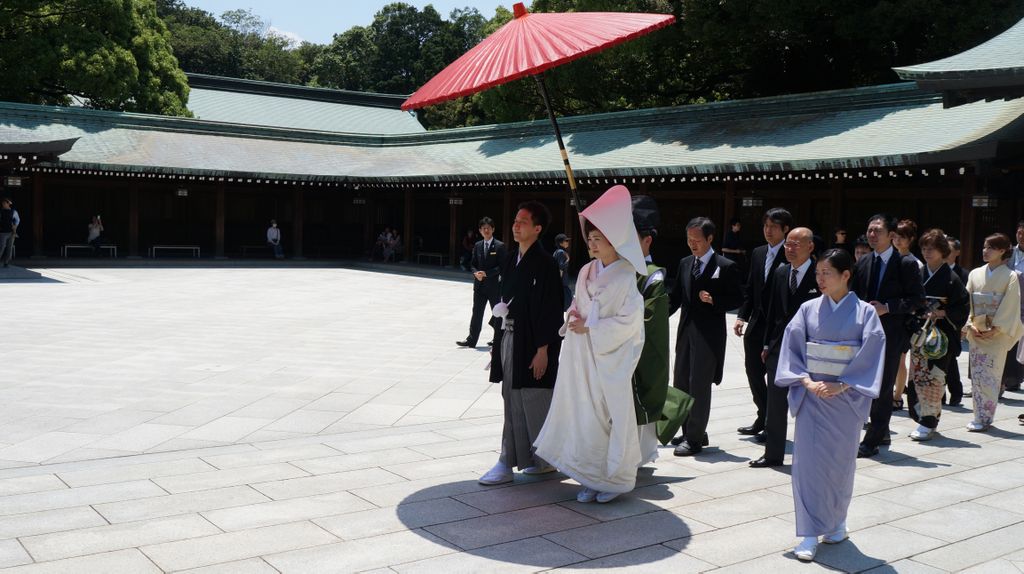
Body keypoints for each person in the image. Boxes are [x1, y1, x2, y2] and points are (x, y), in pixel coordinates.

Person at [535, 185, 648, 503]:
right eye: (591, 239)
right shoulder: (586, 269)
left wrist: (592, 326)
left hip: (607, 359)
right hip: (582, 356)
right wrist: (573, 316)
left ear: (615, 242)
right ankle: (590, 476)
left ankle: (613, 480)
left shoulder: (626, 277)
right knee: (584, 415)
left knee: (606, 414)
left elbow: (630, 322)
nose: (592, 244)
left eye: (598, 239)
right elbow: (578, 304)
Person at [775, 248, 885, 562]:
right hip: (812, 397)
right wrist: (806, 381)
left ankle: (837, 521)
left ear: (846, 275)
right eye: (818, 273)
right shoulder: (808, 309)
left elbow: (872, 351)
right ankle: (809, 533)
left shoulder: (865, 313)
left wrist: (843, 383)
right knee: (807, 466)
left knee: (840, 464)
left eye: (827, 273)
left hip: (846, 399)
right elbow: (792, 346)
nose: (820, 279)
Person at [479, 201, 564, 485]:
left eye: (524, 222)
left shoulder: (547, 263)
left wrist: (544, 350)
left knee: (533, 398)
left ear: (537, 229)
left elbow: (551, 309)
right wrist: (496, 341)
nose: (516, 225)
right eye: (515, 220)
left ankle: (541, 460)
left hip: (534, 340)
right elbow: (504, 301)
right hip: (510, 336)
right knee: (511, 398)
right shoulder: (510, 258)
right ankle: (509, 459)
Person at [668, 217, 743, 456]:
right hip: (685, 331)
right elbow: (676, 297)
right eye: (689, 240)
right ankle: (690, 429)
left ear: (710, 239)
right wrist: (652, 313)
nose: (692, 244)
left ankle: (694, 439)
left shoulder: (726, 265)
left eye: (697, 240)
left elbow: (738, 298)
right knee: (681, 381)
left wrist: (715, 300)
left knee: (699, 384)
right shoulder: (685, 263)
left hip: (708, 334)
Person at [851, 213, 924, 458]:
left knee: (882, 386)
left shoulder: (905, 264)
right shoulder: (863, 262)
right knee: (864, 382)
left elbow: (917, 300)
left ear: (891, 235)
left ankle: (872, 439)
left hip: (891, 333)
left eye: (877, 231)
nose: (872, 235)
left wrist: (887, 307)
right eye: (869, 230)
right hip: (864, 332)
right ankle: (881, 431)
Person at [751, 227, 818, 468]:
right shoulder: (780, 273)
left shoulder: (821, 274)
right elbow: (772, 313)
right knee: (776, 403)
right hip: (780, 347)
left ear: (810, 247)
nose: (789, 249)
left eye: (795, 245)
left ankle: (812, 455)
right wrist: (767, 343)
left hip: (811, 349)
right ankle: (773, 454)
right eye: (787, 245)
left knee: (811, 405)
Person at [734, 208, 791, 442]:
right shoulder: (758, 253)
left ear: (785, 230)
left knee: (774, 375)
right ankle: (763, 415)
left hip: (778, 327)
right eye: (766, 226)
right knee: (753, 372)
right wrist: (741, 316)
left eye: (774, 227)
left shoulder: (791, 254)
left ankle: (772, 423)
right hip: (756, 324)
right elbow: (750, 289)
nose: (768, 231)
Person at [906, 230, 969, 441]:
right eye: (923, 248)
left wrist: (943, 312)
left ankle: (928, 421)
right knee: (916, 375)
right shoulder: (918, 273)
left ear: (943, 251)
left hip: (940, 337)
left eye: (931, 248)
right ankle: (924, 417)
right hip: (920, 333)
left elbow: (962, 306)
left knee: (934, 377)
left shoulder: (951, 278)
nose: (926, 252)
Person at [964, 233, 1023, 431]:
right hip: (977, 330)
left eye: (990, 248)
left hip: (996, 333)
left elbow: (1010, 305)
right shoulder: (974, 274)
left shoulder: (1010, 276)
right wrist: (970, 323)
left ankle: (985, 418)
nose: (985, 251)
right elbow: (967, 301)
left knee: (991, 375)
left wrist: (996, 328)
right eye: (984, 246)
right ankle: (978, 416)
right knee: (978, 376)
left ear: (1002, 251)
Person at [630, 195, 669, 464]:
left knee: (641, 399)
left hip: (639, 349)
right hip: (617, 348)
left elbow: (650, 320)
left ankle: (640, 455)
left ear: (647, 241)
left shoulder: (653, 275)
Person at [457, 217, 506, 348]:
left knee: (497, 313)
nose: (486, 230)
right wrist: (475, 273)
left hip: (494, 286)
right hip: (479, 286)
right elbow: (472, 264)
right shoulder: (478, 246)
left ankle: (498, 338)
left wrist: (487, 274)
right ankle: (471, 340)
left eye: (488, 228)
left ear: (493, 229)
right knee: (476, 313)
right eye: (483, 228)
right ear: (480, 230)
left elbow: (502, 267)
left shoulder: (500, 246)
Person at [945, 236, 969, 406]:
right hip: (933, 323)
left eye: (950, 249)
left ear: (957, 253)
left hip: (953, 322)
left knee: (950, 358)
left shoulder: (963, 274)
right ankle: (939, 396)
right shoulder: (931, 271)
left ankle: (956, 392)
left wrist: (963, 326)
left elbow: (965, 303)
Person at [1001, 220, 1024, 393]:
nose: (1021, 237)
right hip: (1008, 303)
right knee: (1006, 342)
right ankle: (1003, 380)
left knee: (1019, 344)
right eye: (1019, 233)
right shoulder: (1009, 252)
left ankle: (1014, 379)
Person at [553, 233, 573, 311]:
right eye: (566, 241)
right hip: (562, 281)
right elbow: (560, 267)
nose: (568, 242)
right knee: (568, 300)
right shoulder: (561, 253)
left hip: (560, 281)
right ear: (560, 243)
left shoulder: (557, 251)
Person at [0, 198, 15, 267]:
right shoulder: (1, 211)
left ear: (8, 204)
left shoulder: (13, 211)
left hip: (11, 232)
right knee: (2, 247)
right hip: (3, 232)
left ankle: (6, 262)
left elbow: (15, 221)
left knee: (9, 248)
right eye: (2, 203)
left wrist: (14, 230)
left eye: (4, 203)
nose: (3, 204)